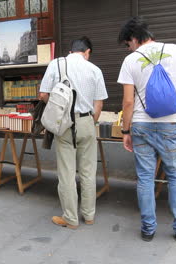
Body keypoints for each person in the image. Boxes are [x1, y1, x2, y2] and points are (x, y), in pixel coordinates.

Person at [117, 17, 176, 242]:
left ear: (134, 38)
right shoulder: (174, 50)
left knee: (145, 177)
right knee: (175, 176)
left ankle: (148, 229)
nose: (129, 47)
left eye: (128, 43)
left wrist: (126, 132)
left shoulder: (130, 60)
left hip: (142, 125)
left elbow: (127, 102)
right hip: (169, 124)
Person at [39, 36, 108, 229]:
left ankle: (70, 218)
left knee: (67, 173)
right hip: (87, 121)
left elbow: (43, 94)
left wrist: (57, 110)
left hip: (65, 123)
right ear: (87, 52)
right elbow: (99, 103)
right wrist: (89, 122)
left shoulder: (56, 64)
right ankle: (89, 215)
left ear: (71, 51)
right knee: (88, 171)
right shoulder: (95, 69)